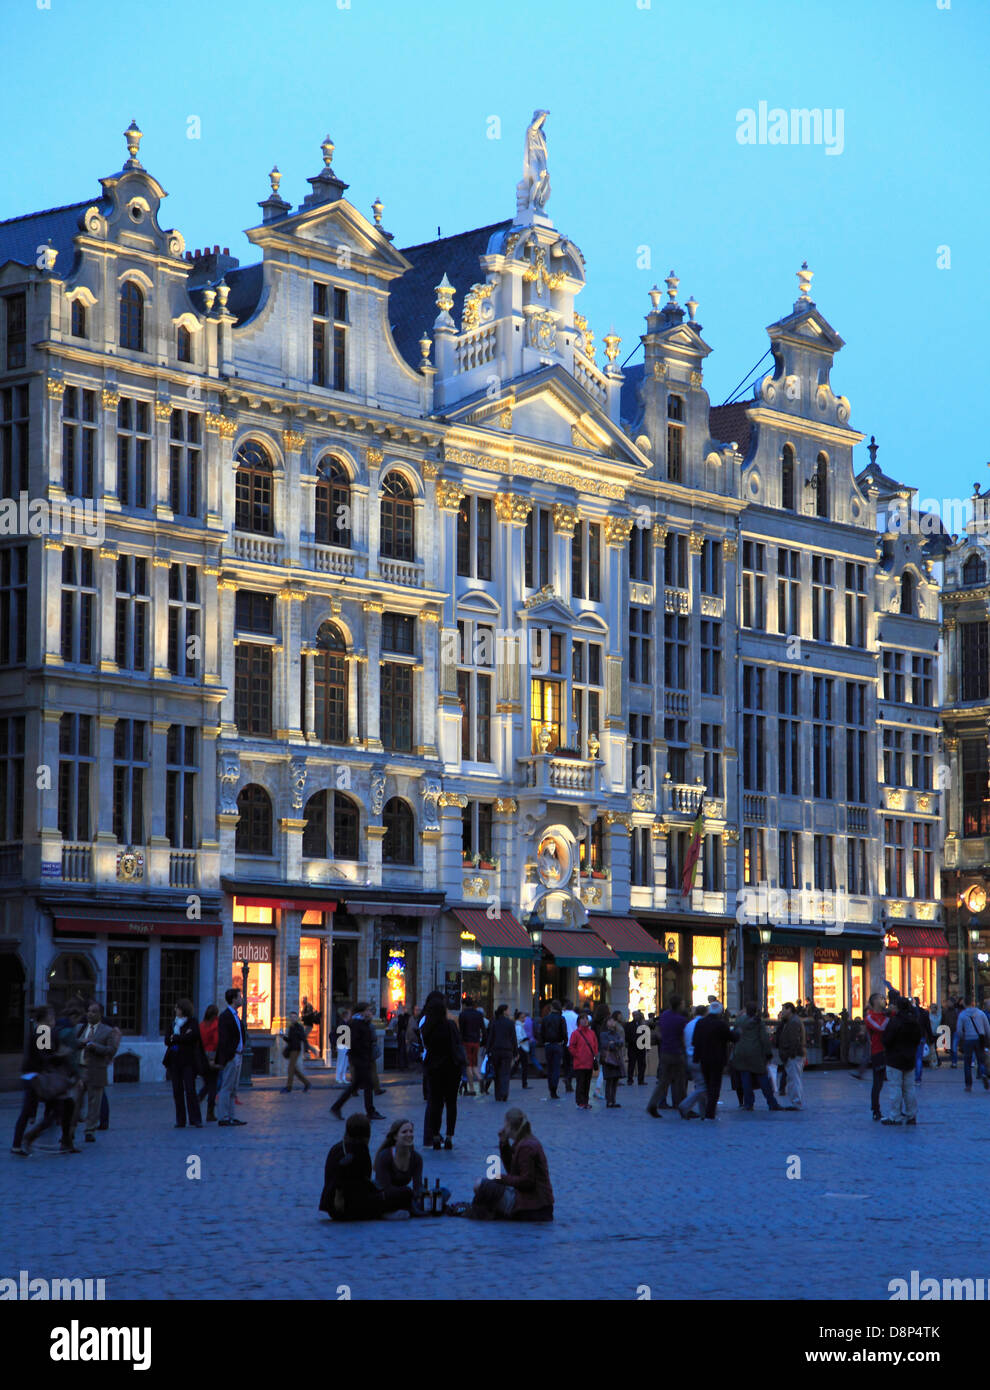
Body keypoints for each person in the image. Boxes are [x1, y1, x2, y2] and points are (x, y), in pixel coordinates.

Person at [466, 1109, 554, 1222]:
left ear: (510, 1126)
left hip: (533, 1205)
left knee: (479, 1185)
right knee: (486, 1186)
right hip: (536, 1202)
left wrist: (501, 1178)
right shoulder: (526, 1142)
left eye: (505, 1125)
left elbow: (527, 1181)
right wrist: (504, 1144)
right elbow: (513, 1172)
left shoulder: (526, 1147)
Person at [20, 1005, 84, 1155]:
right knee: (57, 1111)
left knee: (67, 1106)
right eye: (51, 1016)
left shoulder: (50, 1032)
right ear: (46, 1018)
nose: (54, 1019)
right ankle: (29, 1137)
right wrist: (60, 1054)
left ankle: (66, 1142)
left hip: (52, 1077)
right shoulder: (43, 1031)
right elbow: (45, 1057)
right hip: (47, 1078)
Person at [320, 1114, 409, 1221]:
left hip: (331, 1207)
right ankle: (381, 1213)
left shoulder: (337, 1147)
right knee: (405, 1193)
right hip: (351, 1206)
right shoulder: (359, 1149)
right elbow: (351, 1175)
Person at [678, 1001, 737, 1120]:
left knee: (703, 1085)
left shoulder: (695, 1023)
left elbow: (692, 1041)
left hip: (698, 1058)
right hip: (711, 1059)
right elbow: (731, 1037)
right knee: (708, 1087)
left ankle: (704, 1112)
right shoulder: (718, 1024)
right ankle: (692, 1108)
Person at [330, 1002, 385, 1121]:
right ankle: (370, 1111)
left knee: (355, 1086)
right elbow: (355, 1042)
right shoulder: (356, 1024)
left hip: (362, 1058)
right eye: (368, 1010)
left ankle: (336, 1107)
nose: (370, 1013)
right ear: (362, 1012)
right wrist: (361, 1056)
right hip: (360, 1059)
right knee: (367, 1085)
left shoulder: (361, 1023)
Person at [422, 996, 462, 1150]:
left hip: (434, 1068)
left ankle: (435, 1136)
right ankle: (449, 1136)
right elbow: (457, 1042)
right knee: (451, 1103)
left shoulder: (427, 1027)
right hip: (451, 1068)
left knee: (435, 1103)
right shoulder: (450, 1025)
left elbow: (426, 1045)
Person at [75, 1001, 118, 1143]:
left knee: (95, 1103)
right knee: (75, 1101)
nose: (90, 1014)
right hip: (80, 1069)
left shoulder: (107, 1030)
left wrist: (95, 1046)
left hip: (96, 1069)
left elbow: (111, 1050)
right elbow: (72, 1043)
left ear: (100, 1014)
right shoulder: (80, 1028)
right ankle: (70, 1130)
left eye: (93, 1011)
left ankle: (90, 1130)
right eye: (88, 1011)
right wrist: (82, 1042)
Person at [732, 1002, 783, 1111]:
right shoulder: (758, 1023)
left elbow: (735, 1034)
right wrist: (768, 1053)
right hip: (755, 1053)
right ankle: (771, 1102)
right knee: (762, 1078)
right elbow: (764, 1039)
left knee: (745, 1079)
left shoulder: (739, 1021)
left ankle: (748, 1103)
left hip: (741, 1053)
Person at [880, 994, 922, 1125]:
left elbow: (886, 1040)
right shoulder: (914, 1021)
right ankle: (911, 1115)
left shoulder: (895, 1021)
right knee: (909, 1088)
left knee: (895, 1088)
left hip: (894, 1058)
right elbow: (917, 1039)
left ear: (897, 1007)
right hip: (909, 1058)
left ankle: (895, 1116)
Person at [163, 998, 204, 1129]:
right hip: (174, 1061)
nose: (175, 1010)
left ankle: (195, 1118)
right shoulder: (173, 1024)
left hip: (188, 1061)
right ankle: (180, 1120)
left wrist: (176, 1038)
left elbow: (193, 1037)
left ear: (183, 1009)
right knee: (177, 1091)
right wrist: (178, 1038)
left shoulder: (192, 1022)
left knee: (190, 1090)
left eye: (178, 1008)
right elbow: (167, 1040)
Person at [647, 995, 689, 1117]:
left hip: (665, 1052)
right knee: (680, 1082)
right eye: (683, 1003)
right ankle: (683, 1107)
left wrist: (664, 1039)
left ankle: (652, 1105)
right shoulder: (681, 1020)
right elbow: (683, 1038)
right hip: (677, 1053)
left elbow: (658, 1032)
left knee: (663, 1081)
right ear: (679, 1005)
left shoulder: (664, 1015)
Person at [374, 1118, 423, 1214]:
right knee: (407, 1193)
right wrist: (408, 1193)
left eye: (411, 1131)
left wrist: (423, 1194)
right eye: (404, 1132)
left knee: (440, 1194)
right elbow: (385, 1187)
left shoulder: (416, 1158)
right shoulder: (385, 1156)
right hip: (384, 1196)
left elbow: (418, 1186)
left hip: (403, 1196)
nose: (409, 1134)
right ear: (395, 1136)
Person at [215, 987, 247, 1127]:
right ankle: (223, 1117)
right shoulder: (225, 1016)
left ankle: (231, 1117)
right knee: (226, 1087)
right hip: (232, 1056)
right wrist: (230, 1054)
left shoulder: (235, 1015)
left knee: (234, 1089)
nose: (242, 999)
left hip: (238, 1055)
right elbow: (224, 1039)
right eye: (240, 996)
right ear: (234, 999)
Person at [776, 1002, 806, 1111]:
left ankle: (796, 1102)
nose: (782, 1012)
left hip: (794, 1055)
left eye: (784, 1009)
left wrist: (789, 1054)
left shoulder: (793, 1022)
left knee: (794, 1079)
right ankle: (796, 1101)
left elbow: (794, 1041)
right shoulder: (791, 1021)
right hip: (794, 1054)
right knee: (793, 1078)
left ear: (789, 1010)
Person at [956, 998, 990, 1092]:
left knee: (967, 1063)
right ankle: (983, 1073)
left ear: (964, 1004)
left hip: (968, 1040)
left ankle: (968, 1085)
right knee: (981, 1060)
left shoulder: (962, 1015)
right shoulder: (980, 1013)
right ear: (973, 1003)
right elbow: (987, 1027)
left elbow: (959, 1030)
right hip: (980, 1039)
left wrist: (963, 1037)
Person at [485, 1004, 516, 1103]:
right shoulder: (510, 1023)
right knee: (505, 1073)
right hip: (507, 1050)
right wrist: (515, 1051)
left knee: (497, 1074)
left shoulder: (494, 1022)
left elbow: (490, 1037)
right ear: (504, 1011)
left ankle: (498, 1094)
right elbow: (513, 1039)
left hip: (495, 1050)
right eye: (508, 1010)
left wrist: (488, 1050)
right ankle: (504, 1093)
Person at [568, 1011, 598, 1110]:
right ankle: (580, 1102)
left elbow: (595, 1045)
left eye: (586, 1019)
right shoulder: (575, 1033)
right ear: (579, 1021)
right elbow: (571, 1047)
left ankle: (585, 1101)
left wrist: (594, 1054)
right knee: (580, 1083)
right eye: (582, 1019)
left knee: (587, 1083)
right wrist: (578, 1055)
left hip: (589, 1062)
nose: (585, 1021)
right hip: (580, 1063)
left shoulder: (592, 1033)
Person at [196, 1004, 221, 1120]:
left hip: (202, 1056)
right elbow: (216, 1041)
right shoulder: (215, 1025)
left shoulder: (201, 1025)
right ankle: (210, 1112)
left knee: (207, 1083)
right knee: (213, 1085)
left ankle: (199, 1098)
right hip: (213, 1055)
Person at [279, 1011, 314, 1093]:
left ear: (297, 1018)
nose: (292, 1018)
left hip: (296, 1049)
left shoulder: (299, 1027)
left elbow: (304, 1039)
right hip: (291, 1049)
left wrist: (306, 1051)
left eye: (294, 1017)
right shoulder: (291, 1027)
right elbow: (290, 1040)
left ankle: (289, 1087)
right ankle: (307, 1083)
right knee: (294, 1070)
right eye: (291, 1017)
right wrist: (283, 1037)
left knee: (290, 1068)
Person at [540, 999, 567, 1099]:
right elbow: (564, 1033)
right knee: (556, 1068)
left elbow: (541, 1032)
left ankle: (551, 1087)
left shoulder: (545, 1018)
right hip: (557, 1044)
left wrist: (544, 1042)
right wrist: (564, 1042)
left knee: (550, 1067)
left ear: (552, 1008)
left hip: (548, 1045)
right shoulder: (561, 1019)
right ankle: (554, 1089)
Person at [458, 996, 485, 1096]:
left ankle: (472, 1088)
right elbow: (483, 1029)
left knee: (468, 1065)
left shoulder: (463, 1015)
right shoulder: (479, 1014)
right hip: (476, 1041)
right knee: (474, 1064)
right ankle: (480, 1078)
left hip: (466, 1042)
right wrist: (483, 1042)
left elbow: (461, 1030)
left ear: (464, 1005)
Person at [600, 1011, 627, 1108]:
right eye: (610, 1021)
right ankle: (609, 1101)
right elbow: (606, 1045)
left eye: (613, 1021)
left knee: (615, 1081)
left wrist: (613, 1043)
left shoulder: (616, 1033)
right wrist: (614, 1043)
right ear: (606, 1022)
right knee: (609, 1081)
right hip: (608, 1060)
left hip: (616, 1059)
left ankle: (613, 1100)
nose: (612, 1022)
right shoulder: (603, 1034)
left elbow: (621, 1043)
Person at [913, 997, 934, 1085]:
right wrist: (930, 1037)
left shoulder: (910, 1012)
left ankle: (913, 1077)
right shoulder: (924, 1013)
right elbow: (928, 1026)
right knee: (919, 1058)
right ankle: (918, 1078)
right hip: (921, 1037)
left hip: (912, 1038)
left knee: (914, 1058)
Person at [624, 1009, 647, 1086]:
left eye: (638, 1015)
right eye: (635, 1015)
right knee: (632, 1064)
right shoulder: (629, 1025)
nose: (637, 1017)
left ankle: (641, 1080)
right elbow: (627, 1036)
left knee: (642, 1064)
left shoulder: (643, 1025)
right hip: (632, 1047)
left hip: (641, 1047)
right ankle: (630, 1079)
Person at [561, 998, 578, 1093]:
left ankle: (567, 1079)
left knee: (566, 1063)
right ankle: (569, 1079)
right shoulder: (575, 1016)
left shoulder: (562, 1015)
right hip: (573, 1042)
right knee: (573, 1063)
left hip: (564, 1042)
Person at [334, 1006, 352, 1084]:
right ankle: (338, 1077)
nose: (350, 1016)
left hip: (346, 1044)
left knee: (345, 1062)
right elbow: (339, 1035)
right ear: (346, 1015)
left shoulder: (346, 1023)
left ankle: (343, 1077)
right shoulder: (341, 1023)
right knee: (341, 1062)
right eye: (349, 1015)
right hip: (342, 1044)